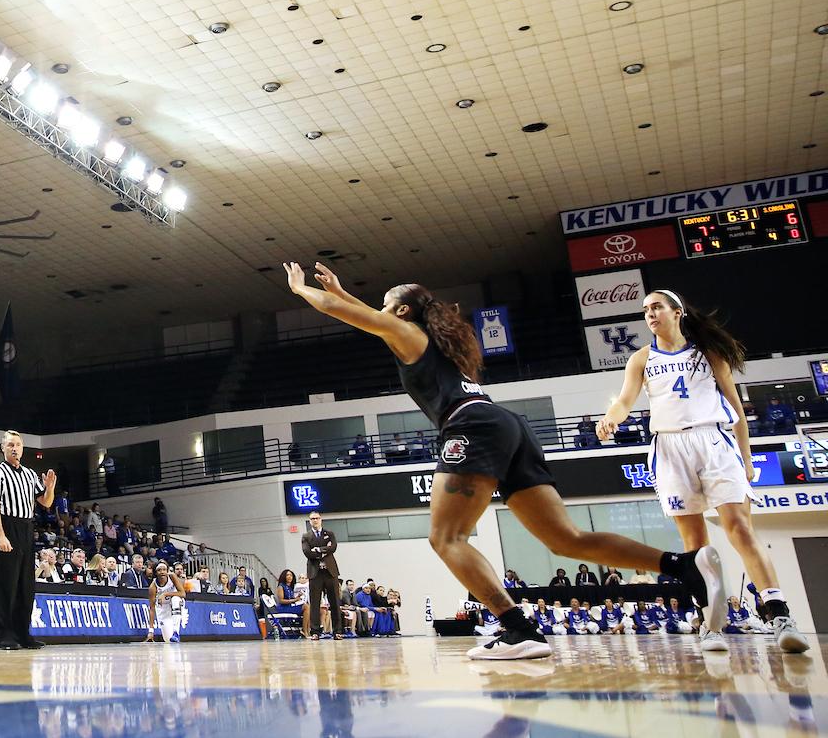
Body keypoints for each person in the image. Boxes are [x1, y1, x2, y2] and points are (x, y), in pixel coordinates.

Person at [284, 262, 725, 660]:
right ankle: (683, 566)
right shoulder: (429, 339)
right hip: (507, 424)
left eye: (385, 306)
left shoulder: (408, 334)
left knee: (446, 538)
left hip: (470, 427)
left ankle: (518, 629)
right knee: (567, 538)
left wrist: (304, 291)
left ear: (400, 313)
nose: (379, 312)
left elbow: (352, 317)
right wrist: (344, 293)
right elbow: (365, 314)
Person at [598, 289, 808, 654]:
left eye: (657, 307)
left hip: (714, 440)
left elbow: (737, 410)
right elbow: (625, 402)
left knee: (740, 530)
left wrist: (745, 458)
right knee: (696, 548)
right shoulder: (641, 359)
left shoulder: (708, 353)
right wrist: (609, 420)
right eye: (645, 309)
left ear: (676, 312)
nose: (650, 313)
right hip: (669, 447)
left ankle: (780, 616)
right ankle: (711, 625)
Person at [0, 430, 56, 650]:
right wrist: (0, 534)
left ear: (23, 448)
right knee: (7, 584)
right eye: (10, 445)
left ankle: (22, 633)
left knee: (26, 585)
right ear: (3, 449)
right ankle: (2, 636)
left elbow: (45, 502)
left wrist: (50, 488)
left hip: (27, 527)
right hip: (8, 526)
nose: (14, 448)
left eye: (17, 445)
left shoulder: (29, 473)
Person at [302, 511, 342, 639]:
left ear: (321, 519)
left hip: (330, 572)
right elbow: (307, 552)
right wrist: (325, 551)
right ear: (310, 521)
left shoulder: (329, 534)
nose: (315, 520)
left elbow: (333, 547)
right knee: (314, 603)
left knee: (335, 602)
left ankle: (337, 631)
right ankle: (315, 632)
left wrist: (319, 550)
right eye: (313, 519)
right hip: (315, 573)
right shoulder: (306, 536)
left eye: (317, 518)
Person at [144, 560, 185, 643]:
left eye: (164, 570)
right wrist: (151, 631)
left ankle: (175, 632)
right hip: (163, 610)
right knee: (168, 640)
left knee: (175, 599)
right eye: (159, 570)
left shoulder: (172, 577)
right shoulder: (153, 586)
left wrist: (165, 594)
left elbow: (183, 594)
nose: (162, 572)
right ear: (156, 572)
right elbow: (152, 608)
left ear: (167, 571)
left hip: (175, 604)